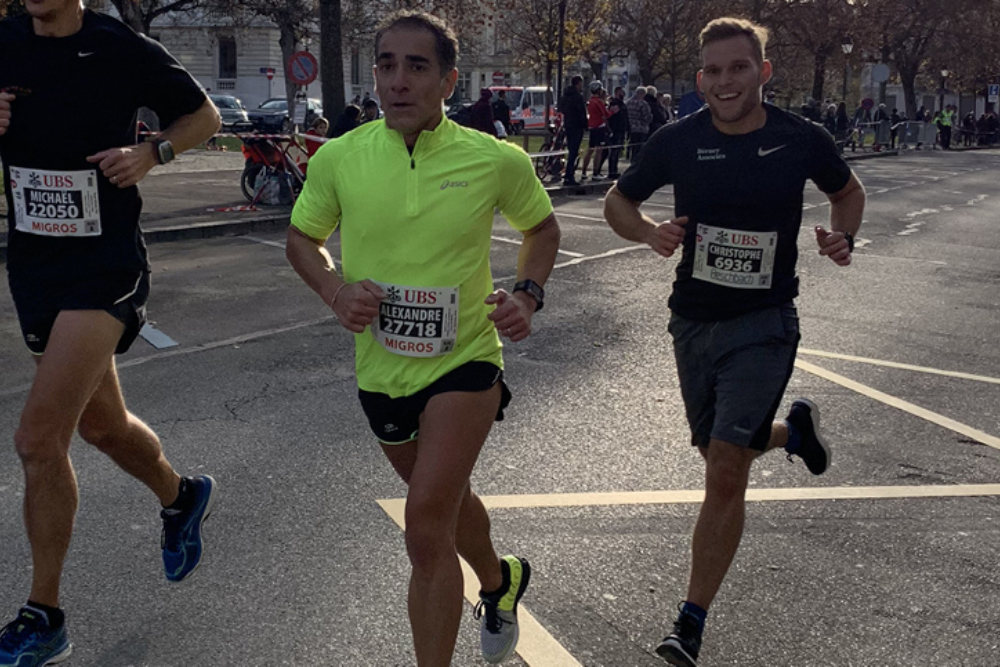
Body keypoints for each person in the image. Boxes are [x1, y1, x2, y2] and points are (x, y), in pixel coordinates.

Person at [284, 11, 561, 667]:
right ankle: (499, 580)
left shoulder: (495, 159)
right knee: (448, 500)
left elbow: (541, 230)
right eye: (386, 64)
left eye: (416, 66)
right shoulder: (343, 158)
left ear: (448, 80)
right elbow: (302, 239)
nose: (398, 80)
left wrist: (526, 294)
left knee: (425, 522)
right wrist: (334, 290)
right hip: (380, 372)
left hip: (465, 362)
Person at [603, 17, 865, 667]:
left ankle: (688, 622)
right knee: (715, 445)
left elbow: (847, 192)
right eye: (714, 71)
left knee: (724, 467)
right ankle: (791, 431)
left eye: (738, 68)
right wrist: (647, 233)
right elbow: (617, 200)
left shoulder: (800, 139)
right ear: (701, 80)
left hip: (766, 322)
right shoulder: (677, 140)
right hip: (692, 319)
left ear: (763, 72)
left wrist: (843, 235)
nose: (725, 82)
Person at [0, 1, 221, 665]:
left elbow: (204, 116)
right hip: (35, 265)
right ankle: (182, 496)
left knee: (39, 438)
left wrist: (152, 151)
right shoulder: (4, 40)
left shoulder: (118, 44)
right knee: (103, 426)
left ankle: (45, 616)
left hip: (105, 265)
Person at [559, 75, 587, 186]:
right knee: (573, 152)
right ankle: (569, 175)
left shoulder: (565, 96)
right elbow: (581, 113)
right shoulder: (578, 97)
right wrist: (585, 125)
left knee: (571, 150)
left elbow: (561, 108)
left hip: (568, 124)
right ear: (578, 83)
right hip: (577, 126)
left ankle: (568, 174)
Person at [581, 82, 610, 179]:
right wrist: (613, 111)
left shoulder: (591, 101)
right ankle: (595, 173)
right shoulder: (599, 101)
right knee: (599, 151)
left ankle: (584, 172)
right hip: (599, 127)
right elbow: (606, 114)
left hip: (592, 127)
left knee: (590, 150)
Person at [606, 86, 629, 179]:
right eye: (621, 92)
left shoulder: (622, 104)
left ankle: (614, 170)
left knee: (618, 151)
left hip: (621, 129)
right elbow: (612, 117)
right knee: (614, 151)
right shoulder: (614, 103)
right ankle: (611, 170)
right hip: (615, 130)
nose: (623, 94)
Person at [627, 86, 652, 160]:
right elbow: (647, 117)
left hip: (631, 128)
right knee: (639, 148)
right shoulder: (643, 104)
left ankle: (632, 160)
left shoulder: (628, 102)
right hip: (641, 128)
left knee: (633, 147)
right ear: (643, 94)